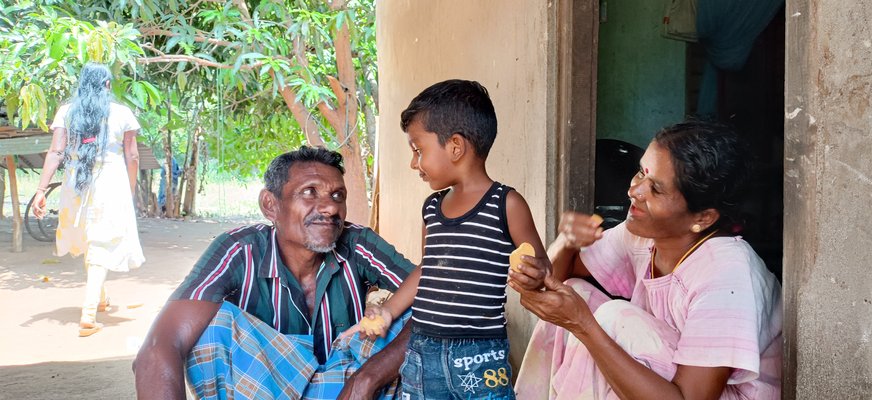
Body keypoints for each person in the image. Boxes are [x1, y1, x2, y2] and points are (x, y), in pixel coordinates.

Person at [509, 121, 783, 399]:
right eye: (641, 172)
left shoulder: (727, 275)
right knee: (577, 294)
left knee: (611, 320)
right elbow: (556, 279)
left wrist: (583, 325)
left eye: (657, 189)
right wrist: (565, 244)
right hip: (668, 382)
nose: (635, 191)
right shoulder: (645, 235)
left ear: (703, 218)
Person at [133, 146, 417, 400]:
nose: (330, 207)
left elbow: (436, 294)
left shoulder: (357, 242)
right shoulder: (239, 250)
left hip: (346, 388)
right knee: (210, 326)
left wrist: (367, 379)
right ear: (271, 205)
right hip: (262, 389)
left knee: (419, 315)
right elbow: (159, 347)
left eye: (337, 195)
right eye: (309, 192)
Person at [343, 79, 549, 400]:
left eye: (418, 150)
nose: (414, 163)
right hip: (422, 353)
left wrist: (534, 273)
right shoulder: (432, 208)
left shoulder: (506, 204)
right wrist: (388, 311)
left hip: (481, 357)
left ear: (455, 146)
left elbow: (541, 266)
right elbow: (428, 269)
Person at [32, 62, 145, 337]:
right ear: (107, 85)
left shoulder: (66, 112)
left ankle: (102, 298)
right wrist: (129, 190)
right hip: (111, 181)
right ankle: (89, 313)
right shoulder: (121, 113)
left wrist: (41, 189)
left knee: (91, 237)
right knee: (100, 241)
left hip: (75, 180)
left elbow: (56, 152)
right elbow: (132, 156)